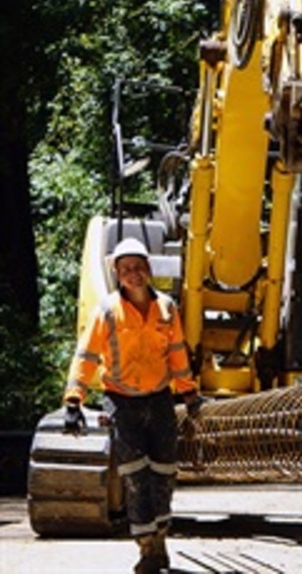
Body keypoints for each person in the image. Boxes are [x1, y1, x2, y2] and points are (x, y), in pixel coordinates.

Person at [62, 237, 202, 574]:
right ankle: (146, 548)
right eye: (126, 270)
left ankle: (161, 539)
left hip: (158, 400)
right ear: (117, 274)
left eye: (138, 267)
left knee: (164, 473)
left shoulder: (167, 308)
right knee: (135, 476)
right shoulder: (108, 311)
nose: (133, 275)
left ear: (149, 269)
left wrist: (189, 393)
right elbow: (87, 355)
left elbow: (178, 354)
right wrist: (73, 400)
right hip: (121, 402)